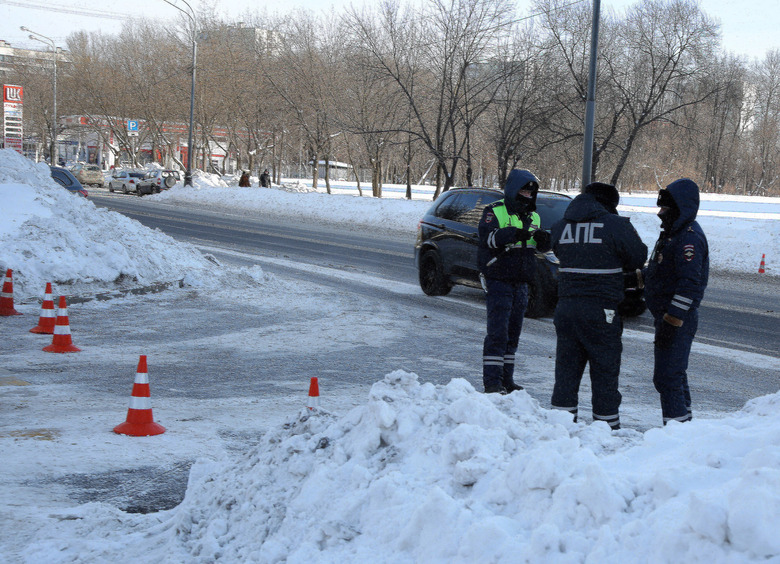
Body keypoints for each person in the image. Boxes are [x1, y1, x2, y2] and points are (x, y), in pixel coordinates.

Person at [549, 182, 647, 430]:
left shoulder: (561, 226)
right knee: (604, 371)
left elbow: (558, 250)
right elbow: (638, 256)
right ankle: (606, 431)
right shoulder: (616, 225)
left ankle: (561, 429)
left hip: (566, 308)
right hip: (601, 310)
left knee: (566, 372)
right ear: (608, 204)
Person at [477, 169, 551, 394]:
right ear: (513, 189)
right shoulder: (494, 211)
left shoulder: (534, 216)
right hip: (499, 278)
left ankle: (507, 380)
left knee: (513, 334)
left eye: (531, 190)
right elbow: (486, 238)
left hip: (521, 281)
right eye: (524, 189)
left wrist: (544, 241)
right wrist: (509, 234)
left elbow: (539, 248)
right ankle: (492, 383)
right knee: (497, 333)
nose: (528, 194)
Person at [643, 178, 709, 425]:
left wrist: (672, 322)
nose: (660, 214)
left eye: (665, 209)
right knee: (672, 376)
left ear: (680, 208)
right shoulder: (674, 234)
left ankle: (677, 431)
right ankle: (684, 429)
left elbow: (689, 285)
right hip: (668, 317)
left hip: (677, 319)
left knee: (668, 377)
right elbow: (661, 271)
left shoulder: (688, 239)